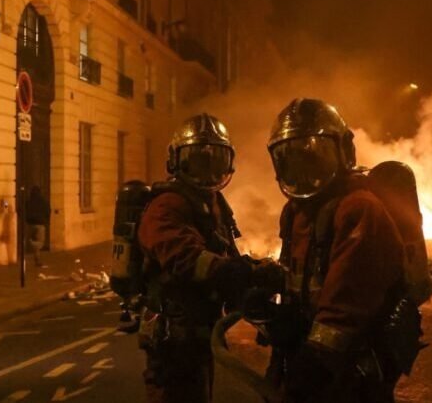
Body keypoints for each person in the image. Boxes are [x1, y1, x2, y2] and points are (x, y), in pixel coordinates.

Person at [266, 98, 407, 403]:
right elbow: (299, 279)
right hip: (310, 360)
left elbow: (347, 301)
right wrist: (271, 306)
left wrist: (315, 361)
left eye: (313, 157)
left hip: (348, 374)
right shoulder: (297, 212)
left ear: (344, 152)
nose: (303, 171)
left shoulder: (359, 209)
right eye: (292, 159)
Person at [137, 113, 280, 403]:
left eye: (215, 159)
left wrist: (253, 275)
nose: (207, 169)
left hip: (199, 334)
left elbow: (224, 252)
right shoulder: (165, 206)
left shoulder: (211, 204)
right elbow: (186, 258)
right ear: (176, 162)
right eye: (197, 160)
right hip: (173, 339)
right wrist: (238, 273)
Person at [25, 185, 50, 267]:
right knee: (40, 243)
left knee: (34, 242)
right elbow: (48, 211)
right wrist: (46, 220)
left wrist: (26, 218)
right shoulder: (43, 201)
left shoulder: (28, 201)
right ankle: (31, 244)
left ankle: (37, 260)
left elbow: (23, 210)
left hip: (30, 224)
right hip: (40, 224)